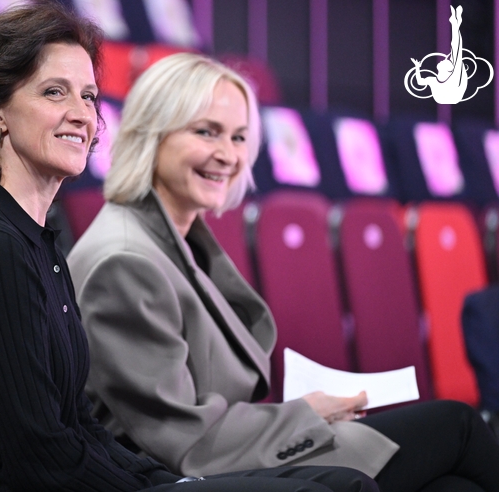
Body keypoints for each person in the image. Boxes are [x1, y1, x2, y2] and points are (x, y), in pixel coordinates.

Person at [0, 2, 380, 492]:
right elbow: (43, 455)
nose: (82, 115)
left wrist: (175, 484)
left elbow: (80, 427)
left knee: (342, 483)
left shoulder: (33, 240)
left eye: (89, 96)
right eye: (55, 93)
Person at [67, 52, 499, 492]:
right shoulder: (125, 260)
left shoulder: (175, 235)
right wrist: (308, 412)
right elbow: (184, 437)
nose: (228, 155)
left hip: (235, 448)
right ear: (150, 136)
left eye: (238, 138)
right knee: (457, 424)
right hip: (195, 471)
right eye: (206, 132)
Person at [411, 5, 467, 104]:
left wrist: (455, 25)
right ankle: (455, 23)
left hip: (452, 96)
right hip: (446, 97)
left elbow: (456, 48)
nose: (444, 59)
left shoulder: (453, 78)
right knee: (456, 52)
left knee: (456, 51)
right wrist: (417, 67)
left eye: (447, 61)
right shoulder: (433, 80)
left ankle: (455, 23)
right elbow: (420, 82)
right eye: (447, 60)